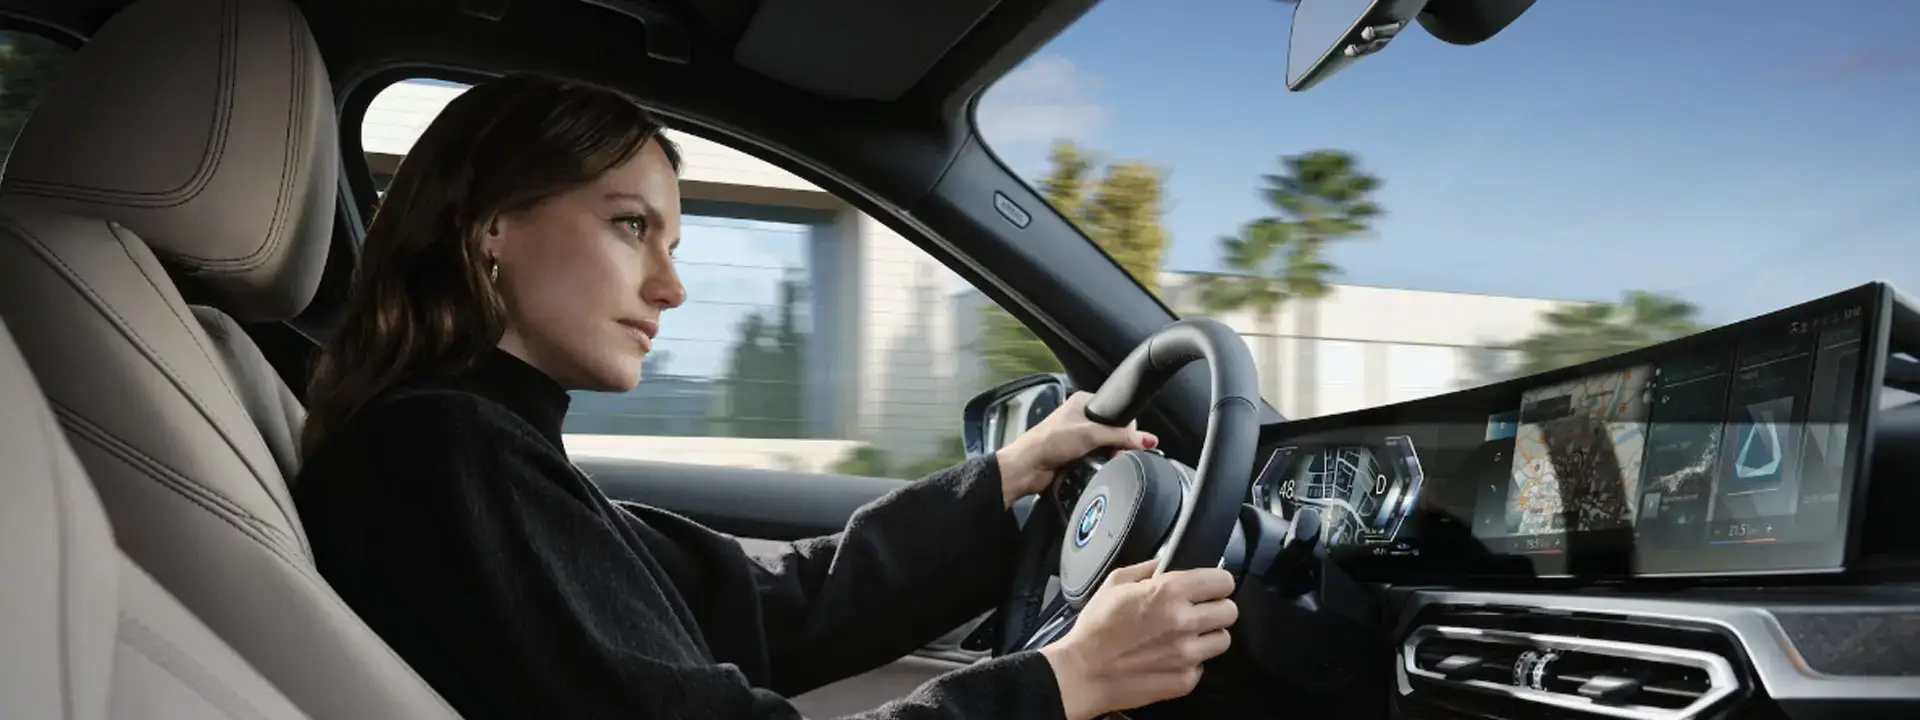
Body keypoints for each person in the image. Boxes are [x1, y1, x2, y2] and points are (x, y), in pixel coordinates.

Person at [293, 73, 1239, 720]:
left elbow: (770, 608)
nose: (672, 287)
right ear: (491, 225)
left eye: (672, 245)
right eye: (631, 226)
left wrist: (1009, 471)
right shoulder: (442, 459)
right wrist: (1064, 680)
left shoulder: (486, 452)